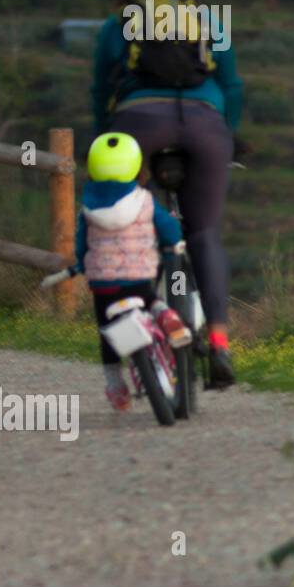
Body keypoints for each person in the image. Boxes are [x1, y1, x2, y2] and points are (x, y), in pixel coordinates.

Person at [89, 0, 242, 388]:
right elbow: (232, 85)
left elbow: (101, 92)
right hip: (206, 126)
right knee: (204, 233)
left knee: (132, 226)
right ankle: (219, 340)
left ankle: (141, 330)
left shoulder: (115, 26)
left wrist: (103, 139)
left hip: (139, 125)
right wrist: (229, 135)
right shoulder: (211, 20)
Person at [57, 132, 193, 411]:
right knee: (150, 299)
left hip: (103, 284)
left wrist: (83, 263)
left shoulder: (87, 207)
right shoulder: (144, 200)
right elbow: (167, 228)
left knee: (107, 331)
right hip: (139, 276)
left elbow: (81, 245)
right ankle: (165, 314)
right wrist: (174, 239)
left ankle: (115, 385)